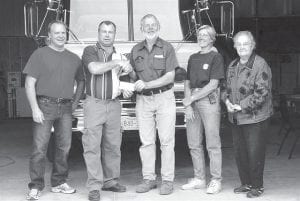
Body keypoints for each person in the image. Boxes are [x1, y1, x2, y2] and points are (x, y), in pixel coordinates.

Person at [23, 20, 85, 200]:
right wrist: (35, 108)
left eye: (63, 33)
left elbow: (81, 81)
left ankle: (59, 182)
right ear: (49, 36)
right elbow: (29, 83)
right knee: (39, 149)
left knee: (64, 147)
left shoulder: (74, 58)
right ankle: (35, 186)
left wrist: (75, 103)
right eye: (56, 33)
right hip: (45, 105)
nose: (60, 36)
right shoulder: (39, 54)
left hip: (66, 107)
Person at [81, 20, 132, 201]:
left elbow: (127, 76)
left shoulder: (120, 53)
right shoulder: (90, 51)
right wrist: (117, 62)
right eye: (104, 31)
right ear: (98, 33)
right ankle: (94, 186)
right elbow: (94, 68)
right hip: (94, 103)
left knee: (113, 145)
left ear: (114, 34)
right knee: (92, 146)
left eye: (111, 32)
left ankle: (110, 181)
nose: (107, 34)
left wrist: (127, 84)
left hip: (114, 104)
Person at [128, 14, 178, 195]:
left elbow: (170, 76)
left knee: (166, 142)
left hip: (164, 97)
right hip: (143, 100)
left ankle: (167, 180)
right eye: (146, 25)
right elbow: (135, 78)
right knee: (146, 142)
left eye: (153, 25)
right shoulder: (135, 50)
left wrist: (147, 84)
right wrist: (130, 71)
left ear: (159, 26)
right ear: (141, 28)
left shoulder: (167, 47)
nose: (150, 28)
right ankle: (149, 179)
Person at [221, 31, 273, 198]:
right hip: (236, 118)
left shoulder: (260, 64)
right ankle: (247, 183)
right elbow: (224, 88)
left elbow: (261, 92)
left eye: (246, 44)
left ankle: (257, 186)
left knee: (255, 153)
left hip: (255, 118)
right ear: (235, 47)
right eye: (239, 44)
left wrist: (240, 106)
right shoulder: (232, 65)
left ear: (252, 46)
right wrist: (227, 101)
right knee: (240, 153)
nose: (242, 47)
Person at [181, 25, 224, 194]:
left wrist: (191, 98)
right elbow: (187, 83)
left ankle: (216, 180)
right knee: (193, 143)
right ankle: (199, 179)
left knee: (212, 143)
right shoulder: (192, 58)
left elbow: (214, 84)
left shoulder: (216, 57)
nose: (201, 37)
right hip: (193, 102)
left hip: (209, 102)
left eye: (206, 35)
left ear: (212, 38)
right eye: (199, 35)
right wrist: (188, 104)